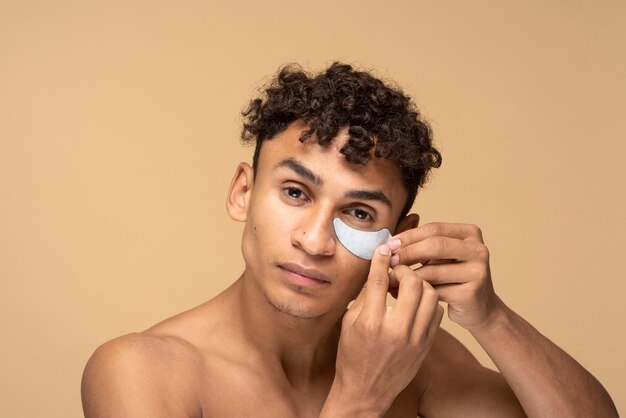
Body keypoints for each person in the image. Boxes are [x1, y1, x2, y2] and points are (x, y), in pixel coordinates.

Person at [81, 62, 618, 417]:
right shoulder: (143, 372)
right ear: (242, 193)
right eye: (294, 192)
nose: (315, 241)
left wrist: (492, 318)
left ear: (399, 239)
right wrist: (361, 399)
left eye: (358, 212)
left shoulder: (416, 359)